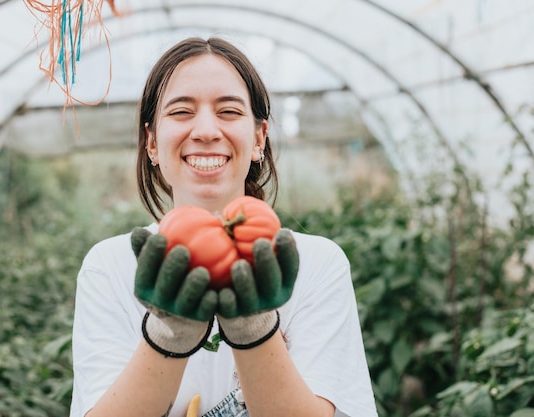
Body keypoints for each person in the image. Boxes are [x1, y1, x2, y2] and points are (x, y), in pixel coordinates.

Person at [69, 36, 378, 417]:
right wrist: (167, 338)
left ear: (259, 138)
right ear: (151, 142)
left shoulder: (316, 264)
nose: (205, 130)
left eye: (229, 112)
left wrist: (256, 333)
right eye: (181, 112)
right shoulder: (111, 267)